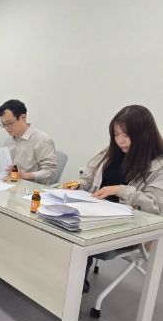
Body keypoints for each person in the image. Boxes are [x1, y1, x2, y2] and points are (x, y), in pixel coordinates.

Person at [63, 105, 163, 293]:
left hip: (128, 225)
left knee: (75, 230)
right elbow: (88, 178)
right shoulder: (110, 152)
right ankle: (65, 281)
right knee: (61, 222)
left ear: (144, 135)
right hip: (95, 212)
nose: (120, 141)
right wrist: (78, 186)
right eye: (116, 135)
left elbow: (156, 206)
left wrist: (120, 190)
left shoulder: (158, 165)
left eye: (126, 135)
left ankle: (72, 287)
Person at [0, 99, 57, 185]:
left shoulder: (42, 140)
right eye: (3, 125)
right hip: (10, 184)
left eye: (9, 123)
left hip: (31, 188)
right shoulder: (9, 139)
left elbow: (50, 171)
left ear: (23, 118)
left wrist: (24, 176)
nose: (6, 128)